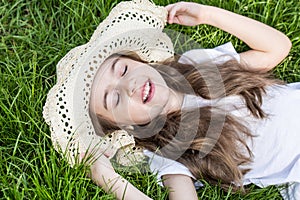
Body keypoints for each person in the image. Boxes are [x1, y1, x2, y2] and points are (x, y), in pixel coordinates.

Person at [43, 0, 299, 200]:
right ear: (126, 127)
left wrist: (209, 15)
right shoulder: (168, 153)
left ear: (139, 60)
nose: (129, 86)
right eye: (115, 99)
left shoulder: (196, 65)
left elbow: (277, 48)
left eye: (122, 70)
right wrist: (108, 178)